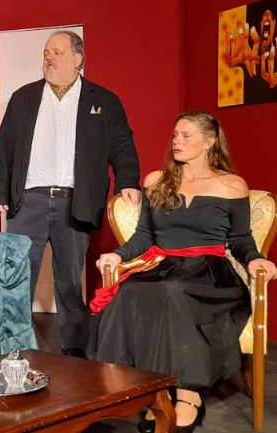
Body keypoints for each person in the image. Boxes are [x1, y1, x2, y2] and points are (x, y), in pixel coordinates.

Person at [91, 110, 277, 433]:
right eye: (175, 134)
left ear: (209, 142)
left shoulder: (231, 185)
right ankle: (156, 395)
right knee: (132, 291)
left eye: (186, 135)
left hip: (211, 274)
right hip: (165, 268)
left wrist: (255, 260)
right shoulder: (157, 180)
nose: (177, 141)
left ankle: (189, 398)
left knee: (172, 292)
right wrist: (116, 255)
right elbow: (144, 236)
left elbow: (241, 239)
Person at [0, 30, 141, 358]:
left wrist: (127, 182)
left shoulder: (104, 100)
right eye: (46, 53)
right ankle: (13, 345)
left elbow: (122, 146)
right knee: (17, 276)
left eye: (57, 52)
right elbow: (3, 148)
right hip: (28, 202)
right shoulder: (23, 98)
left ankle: (75, 349)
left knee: (70, 280)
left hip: (76, 202)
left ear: (77, 59)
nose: (49, 58)